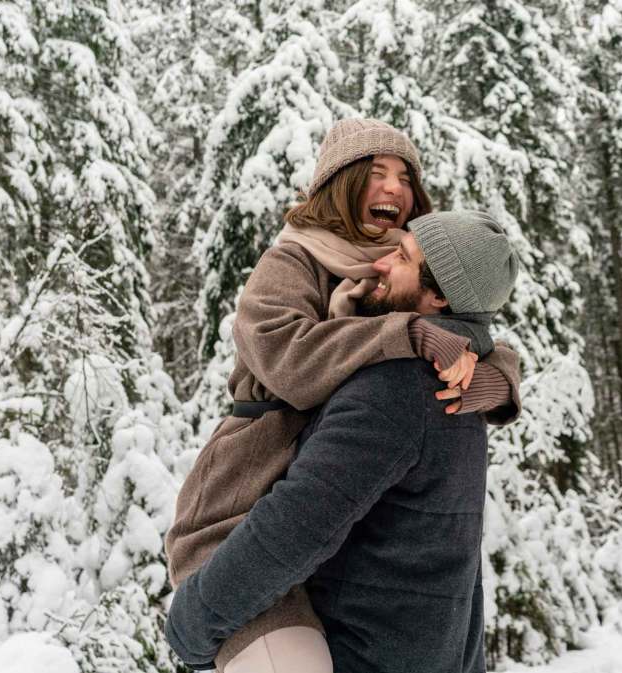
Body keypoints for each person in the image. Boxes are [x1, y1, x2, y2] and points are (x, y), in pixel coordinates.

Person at [163, 119, 523, 671]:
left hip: (316, 534)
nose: (394, 189)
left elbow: (468, 321)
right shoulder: (296, 260)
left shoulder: (410, 270)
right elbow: (285, 356)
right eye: (376, 173)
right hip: (244, 500)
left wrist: (490, 378)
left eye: (405, 177)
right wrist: (406, 334)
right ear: (342, 182)